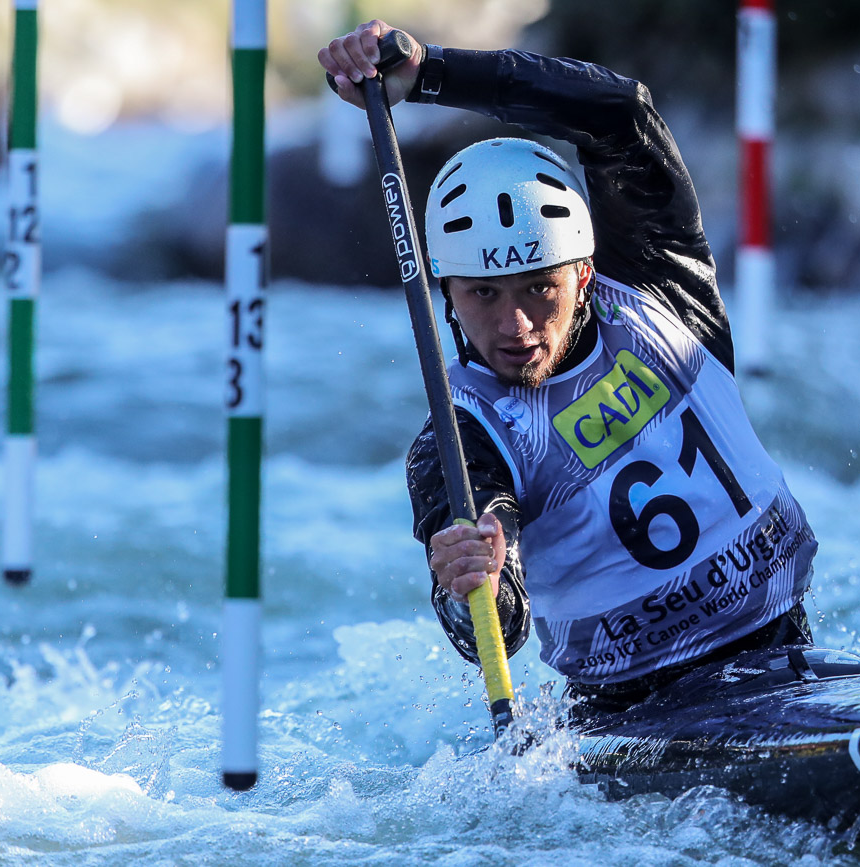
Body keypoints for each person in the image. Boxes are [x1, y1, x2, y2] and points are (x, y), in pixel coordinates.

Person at [319, 21, 819, 721]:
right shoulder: (462, 437)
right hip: (637, 717)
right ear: (448, 295)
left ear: (583, 275)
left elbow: (621, 113)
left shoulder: (660, 285)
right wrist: (475, 584)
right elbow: (502, 625)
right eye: (483, 295)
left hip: (781, 653)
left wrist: (431, 73)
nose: (514, 325)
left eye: (538, 288)